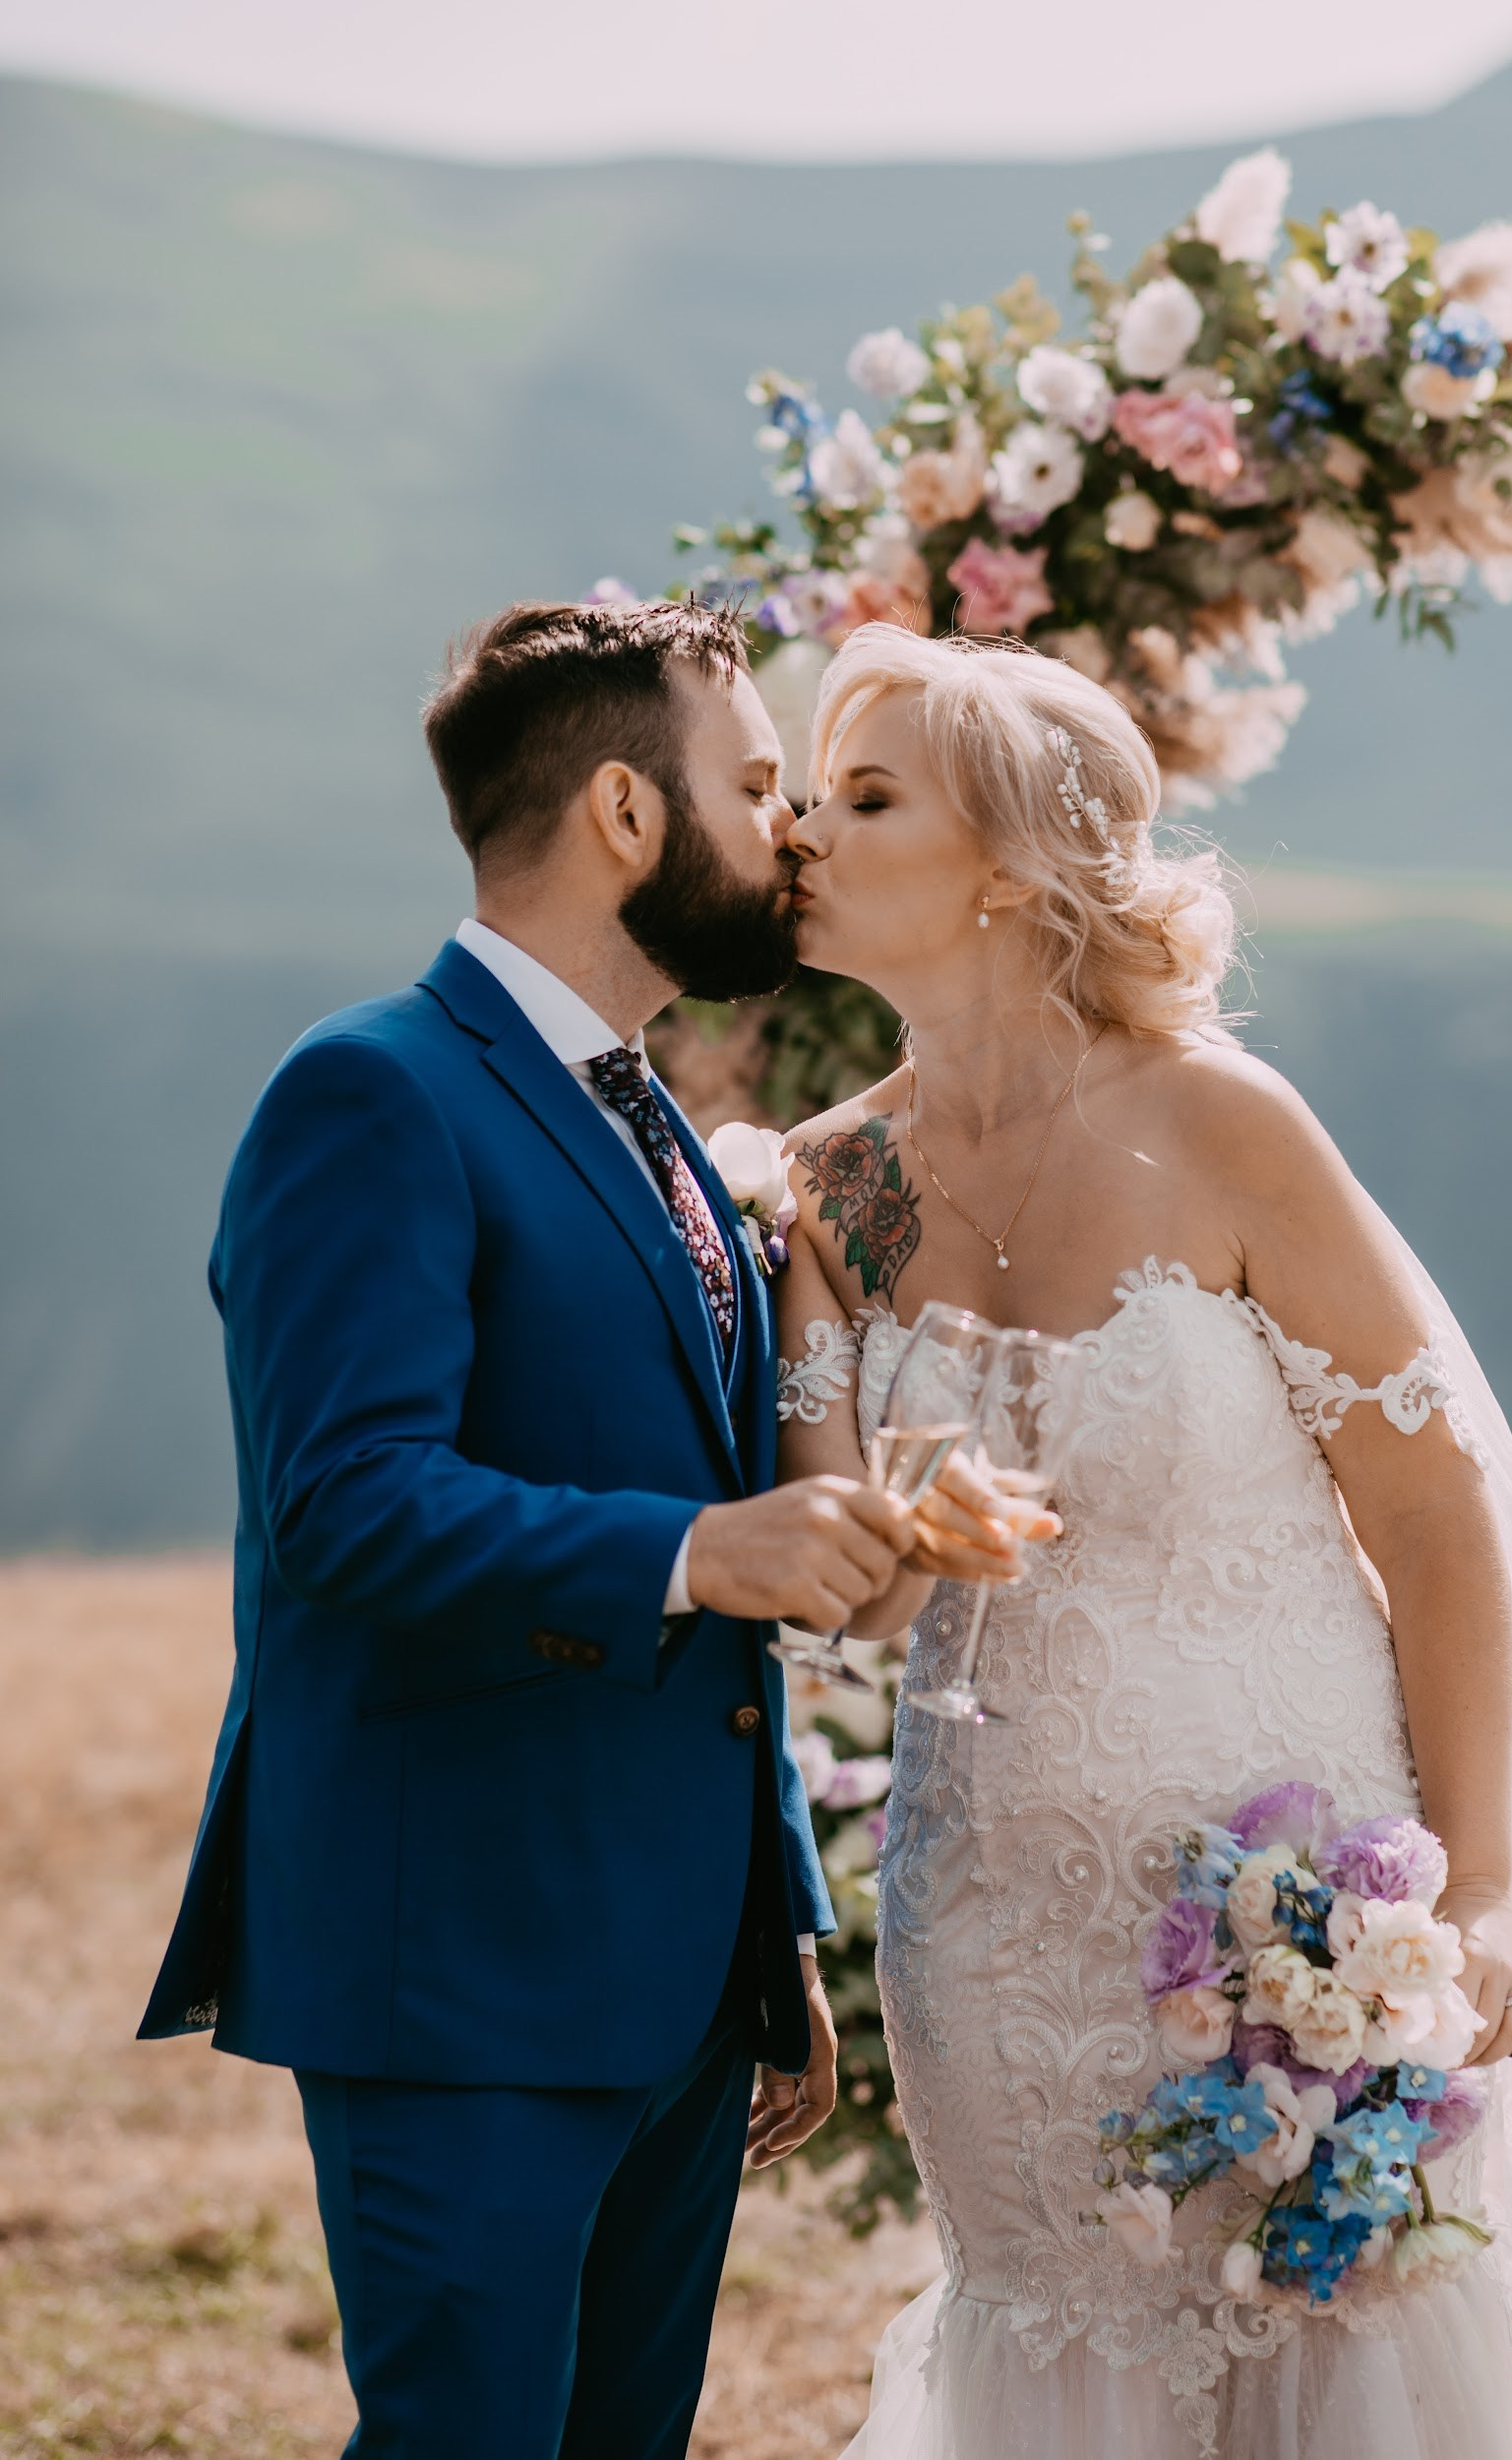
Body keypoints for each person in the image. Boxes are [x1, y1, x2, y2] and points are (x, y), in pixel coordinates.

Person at [773, 623, 1512, 2459]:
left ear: (1015, 862)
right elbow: (848, 1588)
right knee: (1049, 2338)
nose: (802, 829)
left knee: (1346, 2338)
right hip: (992, 1936)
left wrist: (1484, 1886)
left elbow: (1432, 1516)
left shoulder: (1220, 1121)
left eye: (865, 797)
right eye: (806, 788)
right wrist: (894, 1530)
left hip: (1303, 1900)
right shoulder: (831, 1187)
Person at [137, 598, 1004, 2460]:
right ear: (626, 810)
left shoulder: (662, 1129)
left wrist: (765, 1940)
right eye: (757, 782)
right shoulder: (371, 1091)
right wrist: (699, 1552)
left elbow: (728, 1542)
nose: (788, 832)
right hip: (459, 1964)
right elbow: (345, 1504)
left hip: (677, 1977)